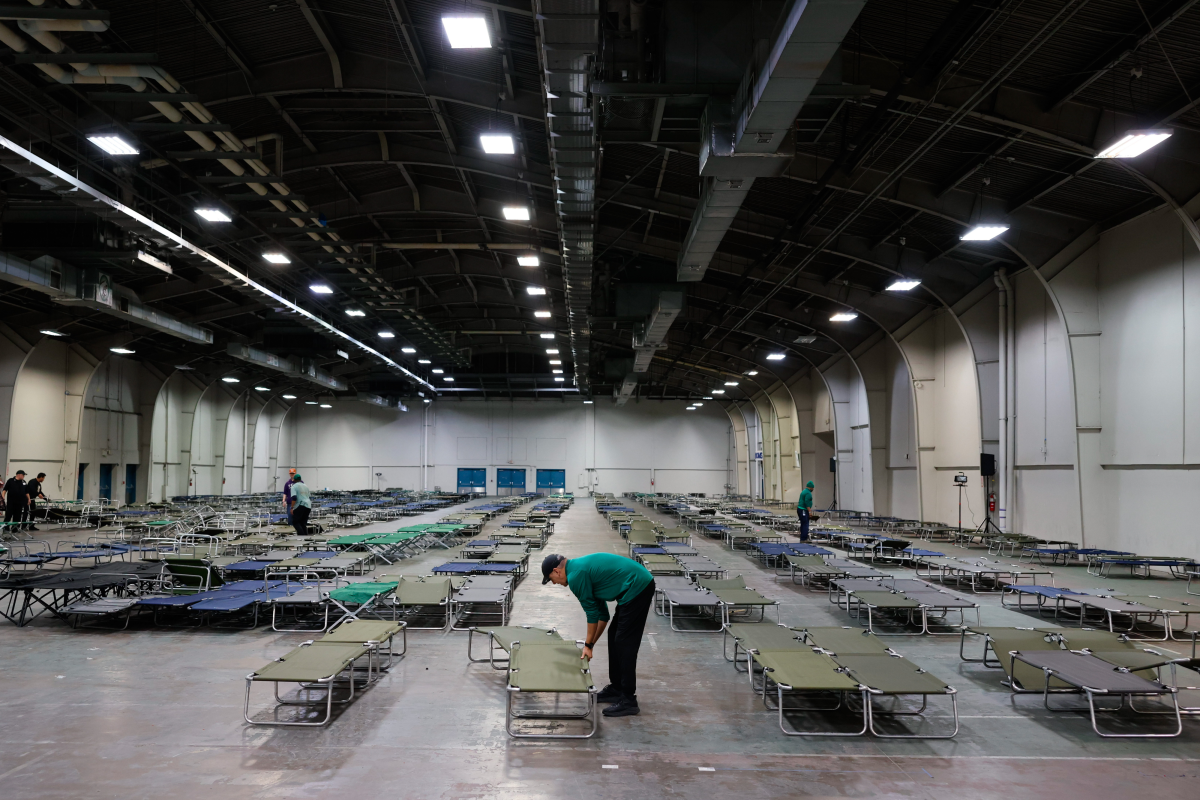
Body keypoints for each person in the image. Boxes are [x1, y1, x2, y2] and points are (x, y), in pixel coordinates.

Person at [541, 552, 655, 718]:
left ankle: (629, 700)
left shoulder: (576, 576)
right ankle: (617, 688)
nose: (554, 583)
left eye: (551, 579)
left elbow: (592, 615)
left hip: (638, 587)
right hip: (633, 587)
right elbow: (602, 614)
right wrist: (590, 645)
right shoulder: (580, 570)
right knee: (615, 635)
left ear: (556, 571)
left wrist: (588, 645)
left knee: (624, 642)